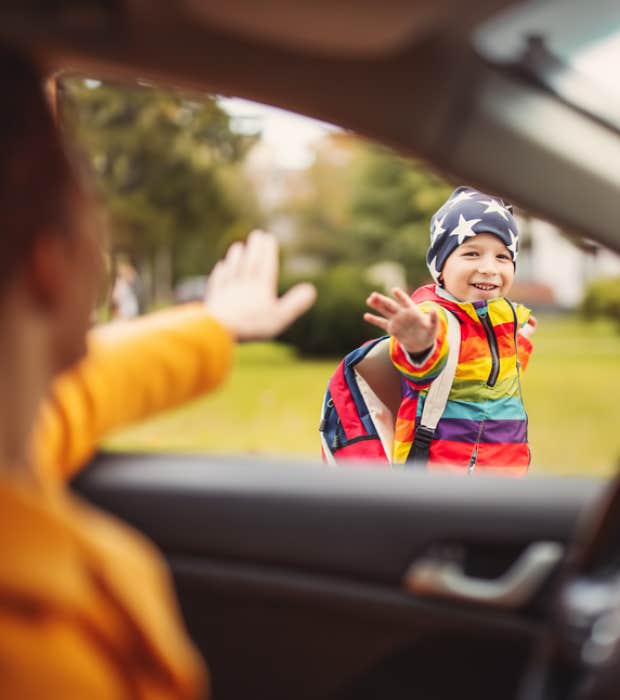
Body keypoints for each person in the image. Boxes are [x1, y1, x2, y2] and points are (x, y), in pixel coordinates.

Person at [0, 43, 315, 698]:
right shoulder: (43, 665)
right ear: (52, 258)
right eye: (75, 172)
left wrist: (214, 322)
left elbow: (83, 389)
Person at [362, 186, 536, 474]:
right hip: (441, 473)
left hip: (505, 469)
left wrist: (520, 342)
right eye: (471, 253)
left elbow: (497, 377)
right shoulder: (433, 316)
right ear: (440, 267)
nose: (489, 268)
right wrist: (419, 345)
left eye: (502, 257)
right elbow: (422, 370)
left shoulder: (503, 315)